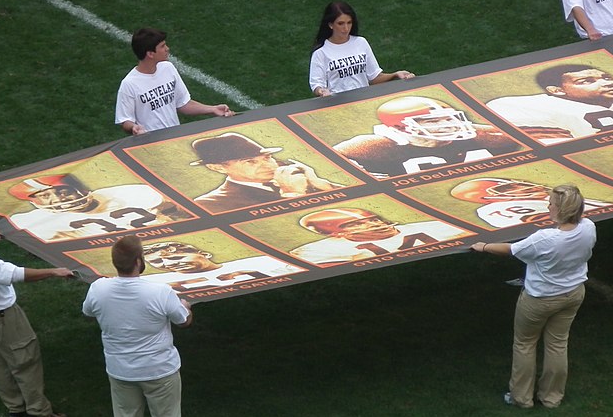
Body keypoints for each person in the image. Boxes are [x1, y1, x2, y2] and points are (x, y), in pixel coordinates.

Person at [471, 184, 595, 409]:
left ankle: (521, 398)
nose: (548, 206)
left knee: (525, 344)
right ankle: (551, 398)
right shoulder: (588, 228)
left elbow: (511, 250)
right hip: (573, 293)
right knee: (558, 344)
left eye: (552, 204)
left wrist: (484, 246)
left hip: (539, 299)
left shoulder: (545, 238)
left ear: (562, 210)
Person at [82, 235, 194, 417]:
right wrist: (186, 307)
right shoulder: (159, 291)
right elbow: (183, 321)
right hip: (160, 371)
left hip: (121, 371)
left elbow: (88, 312)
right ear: (139, 261)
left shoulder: (99, 288)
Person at [0, 205, 73, 417]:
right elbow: (14, 274)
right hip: (2, 315)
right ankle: (39, 411)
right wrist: (53, 271)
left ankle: (15, 406)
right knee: (25, 358)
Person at [486, 65, 613, 145]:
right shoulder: (525, 106)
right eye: (587, 81)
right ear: (556, 90)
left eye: (606, 77)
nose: (608, 82)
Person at [333, 96, 522, 177]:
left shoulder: (486, 136)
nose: (448, 125)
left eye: (448, 118)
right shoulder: (371, 148)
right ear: (402, 127)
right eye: (433, 121)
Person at [115, 27, 235, 135]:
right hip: (150, 146)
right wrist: (133, 127)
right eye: (162, 46)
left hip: (174, 140)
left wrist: (212, 109)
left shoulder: (168, 68)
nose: (167, 49)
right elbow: (125, 120)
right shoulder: (129, 84)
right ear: (150, 54)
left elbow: (183, 103)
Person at [8, 173, 190, 242]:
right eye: (45, 196)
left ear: (80, 189)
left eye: (63, 191)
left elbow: (180, 210)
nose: (57, 199)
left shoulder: (128, 193)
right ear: (35, 202)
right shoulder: (32, 221)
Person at [191, 132, 342, 213]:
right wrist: (292, 194)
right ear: (218, 167)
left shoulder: (296, 176)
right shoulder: (209, 204)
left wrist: (324, 185)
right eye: (250, 161)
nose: (268, 165)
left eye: (267, 157)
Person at [290, 207, 469, 266]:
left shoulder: (436, 227)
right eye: (357, 224)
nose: (373, 224)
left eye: (373, 219)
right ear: (336, 233)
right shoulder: (317, 251)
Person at [309, 1, 415, 96]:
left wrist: (395, 74)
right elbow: (317, 85)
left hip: (364, 101)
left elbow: (373, 78)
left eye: (349, 23)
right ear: (331, 25)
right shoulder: (321, 53)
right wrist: (322, 91)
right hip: (338, 106)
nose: (346, 28)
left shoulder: (361, 43)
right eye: (340, 23)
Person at [140, 241, 303, 292]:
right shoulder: (152, 282)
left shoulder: (261, 261)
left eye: (176, 257)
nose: (169, 264)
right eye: (160, 263)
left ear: (205, 254)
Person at [450, 177, 611, 228]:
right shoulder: (497, 208)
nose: (521, 186)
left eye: (516, 183)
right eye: (508, 188)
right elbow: (539, 223)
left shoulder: (551, 198)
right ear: (488, 198)